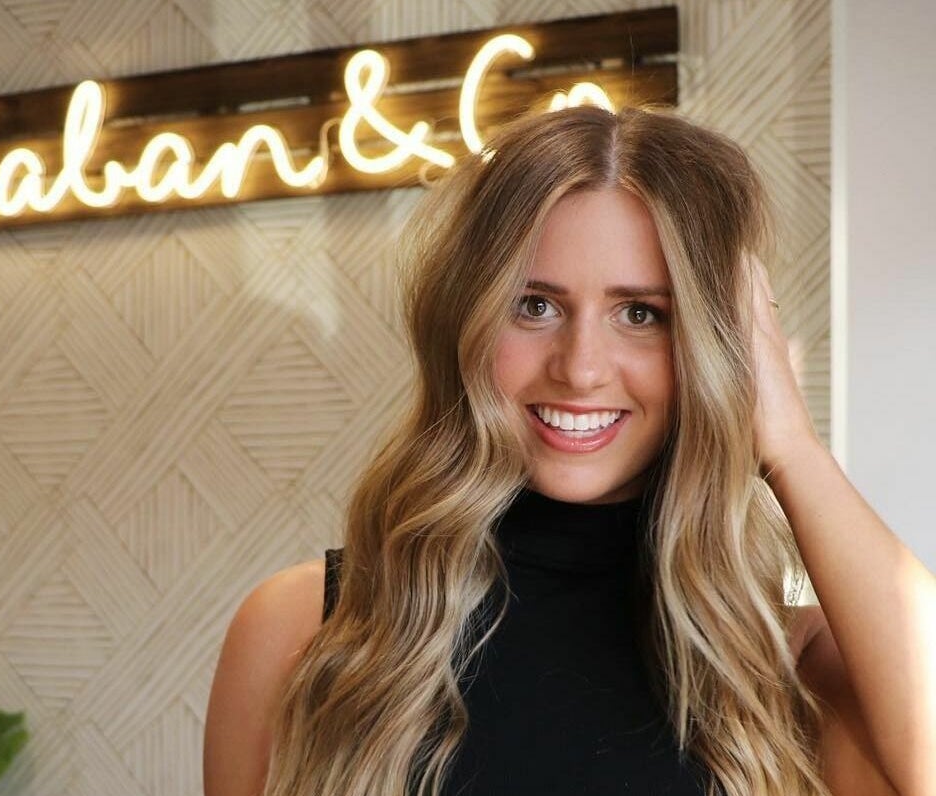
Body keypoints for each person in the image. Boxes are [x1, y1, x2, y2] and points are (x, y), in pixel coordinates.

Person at [203, 104, 936, 796]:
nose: (580, 369)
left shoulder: (780, 655)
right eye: (535, 306)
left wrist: (791, 445)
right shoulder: (306, 628)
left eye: (641, 313)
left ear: (716, 345)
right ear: (466, 321)